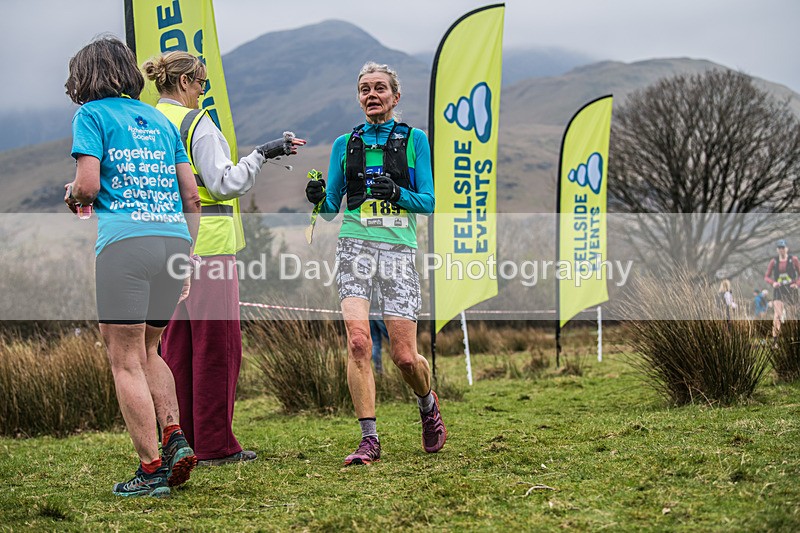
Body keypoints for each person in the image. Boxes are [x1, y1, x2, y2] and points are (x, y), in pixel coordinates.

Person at [142, 51, 305, 467]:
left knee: (176, 346)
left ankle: (183, 439)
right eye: (200, 81)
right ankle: (215, 444)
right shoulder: (198, 124)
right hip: (208, 247)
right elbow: (223, 182)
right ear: (183, 83)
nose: (203, 88)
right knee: (217, 345)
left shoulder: (147, 121)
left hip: (164, 246)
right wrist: (262, 154)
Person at [63, 36, 201, 497]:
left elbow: (87, 184)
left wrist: (74, 195)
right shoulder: (161, 122)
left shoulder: (91, 115)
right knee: (150, 350)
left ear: (85, 76)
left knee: (124, 360)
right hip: (173, 241)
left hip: (126, 243)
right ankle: (174, 434)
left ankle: (150, 470)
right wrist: (187, 255)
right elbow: (191, 196)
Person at [304, 61, 446, 466]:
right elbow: (331, 208)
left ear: (395, 97)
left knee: (404, 357)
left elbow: (430, 203)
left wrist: (398, 193)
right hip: (354, 248)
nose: (372, 94)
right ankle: (369, 439)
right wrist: (317, 196)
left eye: (380, 88)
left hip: (398, 251)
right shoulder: (342, 144)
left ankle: (427, 405)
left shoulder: (415, 139)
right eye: (364, 88)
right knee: (359, 342)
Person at [764, 239, 800, 345]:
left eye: (783, 248)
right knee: (777, 315)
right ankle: (775, 341)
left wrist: (796, 284)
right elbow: (766, 277)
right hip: (778, 290)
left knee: (792, 315)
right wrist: (773, 283)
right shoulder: (774, 261)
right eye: (779, 248)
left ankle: (794, 338)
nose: (781, 250)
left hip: (791, 290)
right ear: (777, 250)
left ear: (786, 248)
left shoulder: (793, 260)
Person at [369, 290, 388, 374]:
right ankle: (404, 369)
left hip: (369, 312)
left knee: (375, 343)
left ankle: (378, 370)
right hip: (379, 311)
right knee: (393, 338)